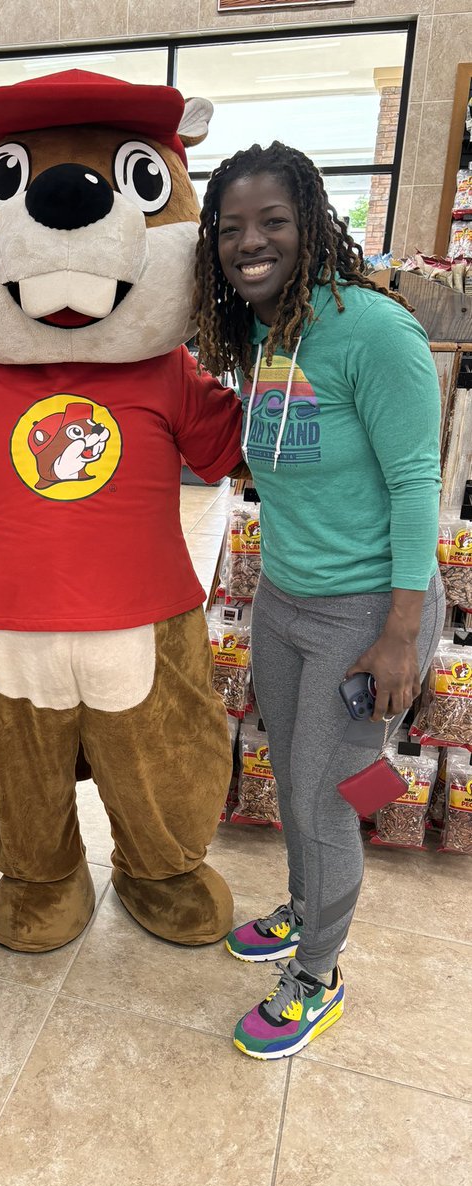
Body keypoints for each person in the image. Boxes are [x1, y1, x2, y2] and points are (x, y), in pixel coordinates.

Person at [191, 142, 445, 1061]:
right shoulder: (265, 333)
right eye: (231, 229)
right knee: (292, 779)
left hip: (370, 609)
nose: (249, 243)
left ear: (312, 225)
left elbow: (418, 481)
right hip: (288, 601)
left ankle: (318, 976)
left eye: (273, 223)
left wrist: (401, 635)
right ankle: (304, 910)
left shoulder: (373, 331)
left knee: (325, 794)